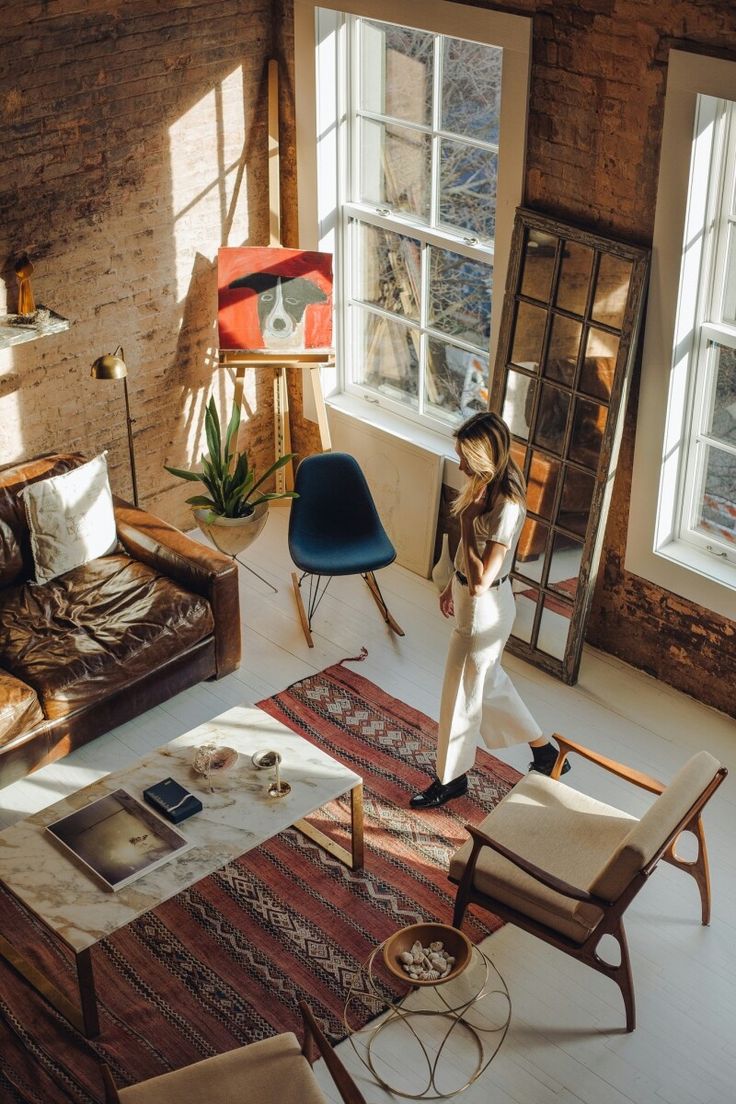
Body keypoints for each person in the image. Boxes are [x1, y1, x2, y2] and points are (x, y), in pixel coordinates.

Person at [411, 411, 569, 809]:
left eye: (465, 458)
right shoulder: (483, 483)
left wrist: (465, 523)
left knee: (460, 696)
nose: (460, 465)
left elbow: (482, 581)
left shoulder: (507, 506)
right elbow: (470, 571)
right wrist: (451, 584)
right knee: (488, 684)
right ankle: (545, 753)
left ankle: (451, 779)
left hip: (484, 612)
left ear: (486, 456)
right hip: (472, 600)